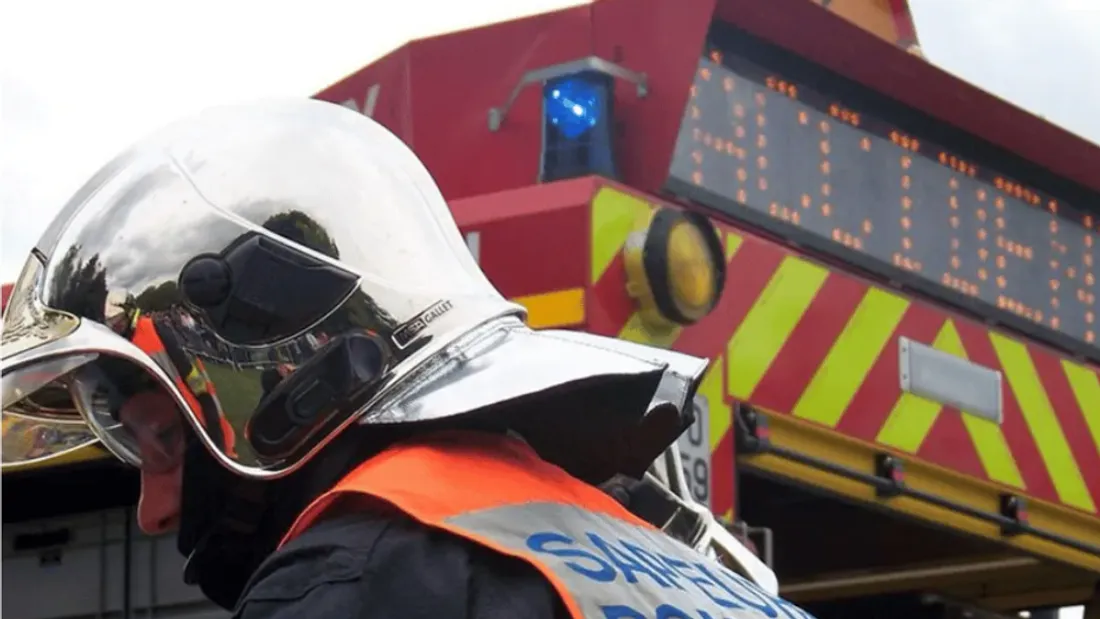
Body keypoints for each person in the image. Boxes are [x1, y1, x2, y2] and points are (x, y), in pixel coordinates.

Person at [0, 99, 813, 618]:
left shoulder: (356, 585)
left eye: (163, 440)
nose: (152, 512)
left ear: (279, 382)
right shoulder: (681, 558)